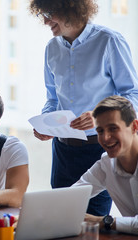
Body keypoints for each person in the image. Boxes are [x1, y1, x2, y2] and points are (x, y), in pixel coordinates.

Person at [29, 0, 138, 216]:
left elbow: (132, 95)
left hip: (99, 149)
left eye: (49, 13)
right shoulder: (51, 48)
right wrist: (47, 122)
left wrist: (99, 118)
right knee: (60, 219)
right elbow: (52, 97)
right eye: (41, 14)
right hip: (62, 151)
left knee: (94, 225)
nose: (45, 21)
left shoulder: (109, 41)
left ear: (70, 7)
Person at [72, 95, 138, 235]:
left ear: (134, 126)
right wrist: (27, 216)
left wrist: (102, 221)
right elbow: (69, 197)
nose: (105, 138)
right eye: (100, 131)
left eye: (113, 128)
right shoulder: (106, 164)